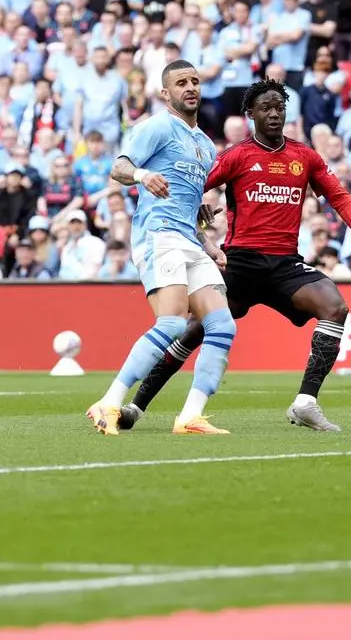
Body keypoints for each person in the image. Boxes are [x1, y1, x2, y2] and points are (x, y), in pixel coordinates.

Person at [119, 79, 351, 433]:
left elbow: (340, 197)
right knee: (194, 330)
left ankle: (306, 403)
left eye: (279, 108)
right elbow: (191, 186)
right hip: (240, 262)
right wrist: (197, 207)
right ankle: (136, 405)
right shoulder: (237, 155)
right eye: (266, 108)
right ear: (251, 115)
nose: (274, 114)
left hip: (284, 264)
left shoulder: (304, 157)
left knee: (336, 308)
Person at [86, 60, 236, 437]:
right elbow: (119, 167)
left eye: (195, 82)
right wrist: (142, 175)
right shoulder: (156, 126)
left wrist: (206, 237)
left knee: (222, 324)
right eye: (181, 83)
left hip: (188, 239)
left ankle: (189, 417)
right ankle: (108, 402)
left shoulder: (204, 144)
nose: (191, 88)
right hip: (158, 235)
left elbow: (186, 203)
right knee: (170, 323)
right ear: (165, 94)